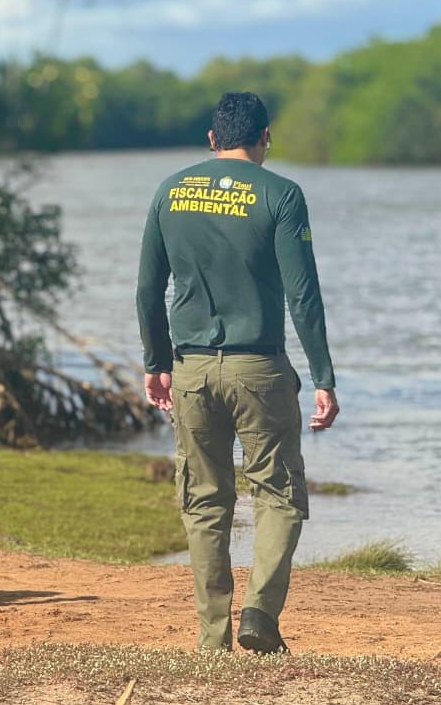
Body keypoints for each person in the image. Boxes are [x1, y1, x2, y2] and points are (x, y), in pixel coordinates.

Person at [136, 92, 339, 654]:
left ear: (211, 139)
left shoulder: (169, 191)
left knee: (204, 500)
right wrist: (323, 375)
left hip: (191, 370)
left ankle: (212, 638)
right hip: (260, 368)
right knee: (278, 495)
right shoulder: (282, 195)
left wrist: (156, 363)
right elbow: (303, 295)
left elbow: (148, 290)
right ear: (265, 138)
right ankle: (260, 613)